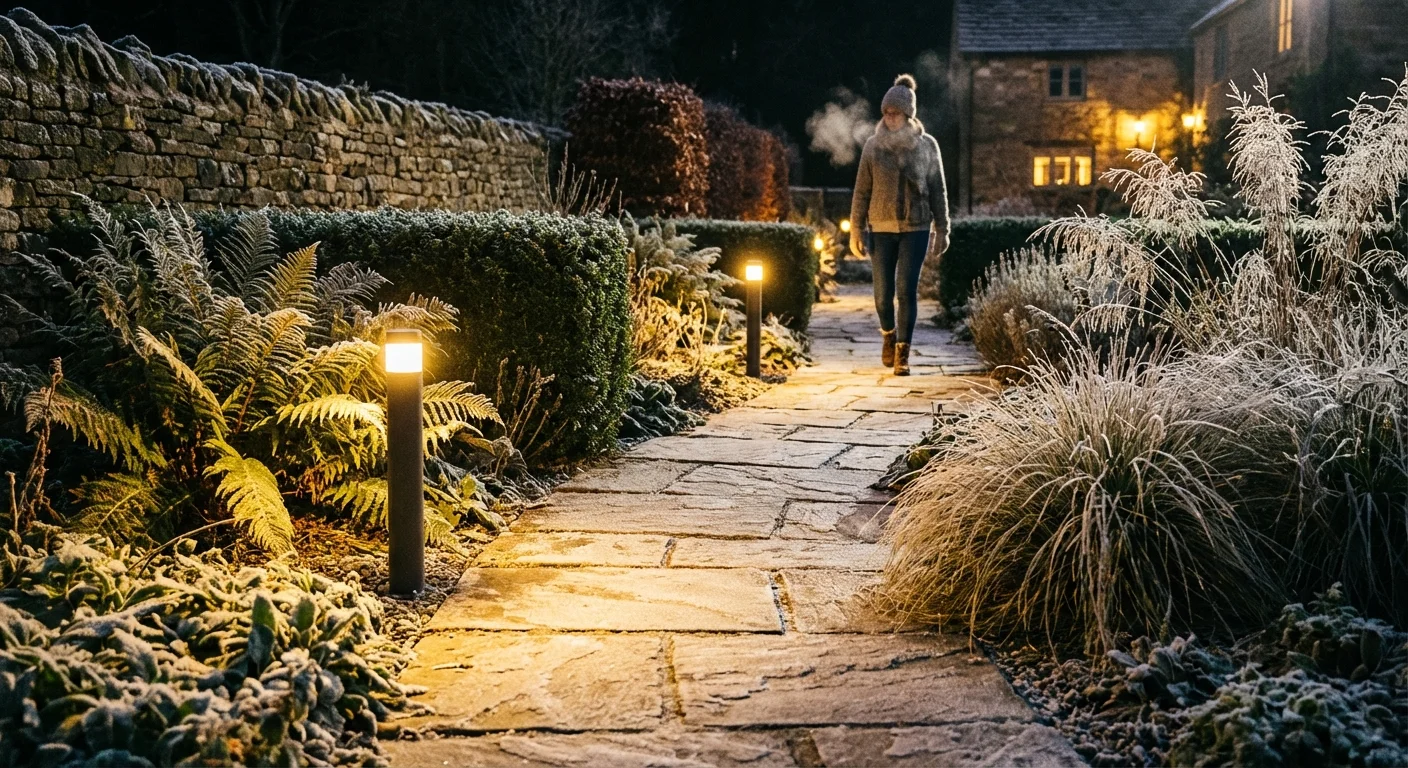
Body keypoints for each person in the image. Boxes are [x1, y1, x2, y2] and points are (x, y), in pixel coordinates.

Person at [849, 74, 950, 376]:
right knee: (882, 295)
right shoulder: (872, 146)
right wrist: (856, 229)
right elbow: (861, 190)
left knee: (905, 291)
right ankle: (888, 335)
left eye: (896, 112)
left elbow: (938, 189)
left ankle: (903, 354)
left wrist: (943, 229)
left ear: (908, 114)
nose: (890, 117)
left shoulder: (926, 146)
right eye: (886, 112)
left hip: (915, 227)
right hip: (880, 228)